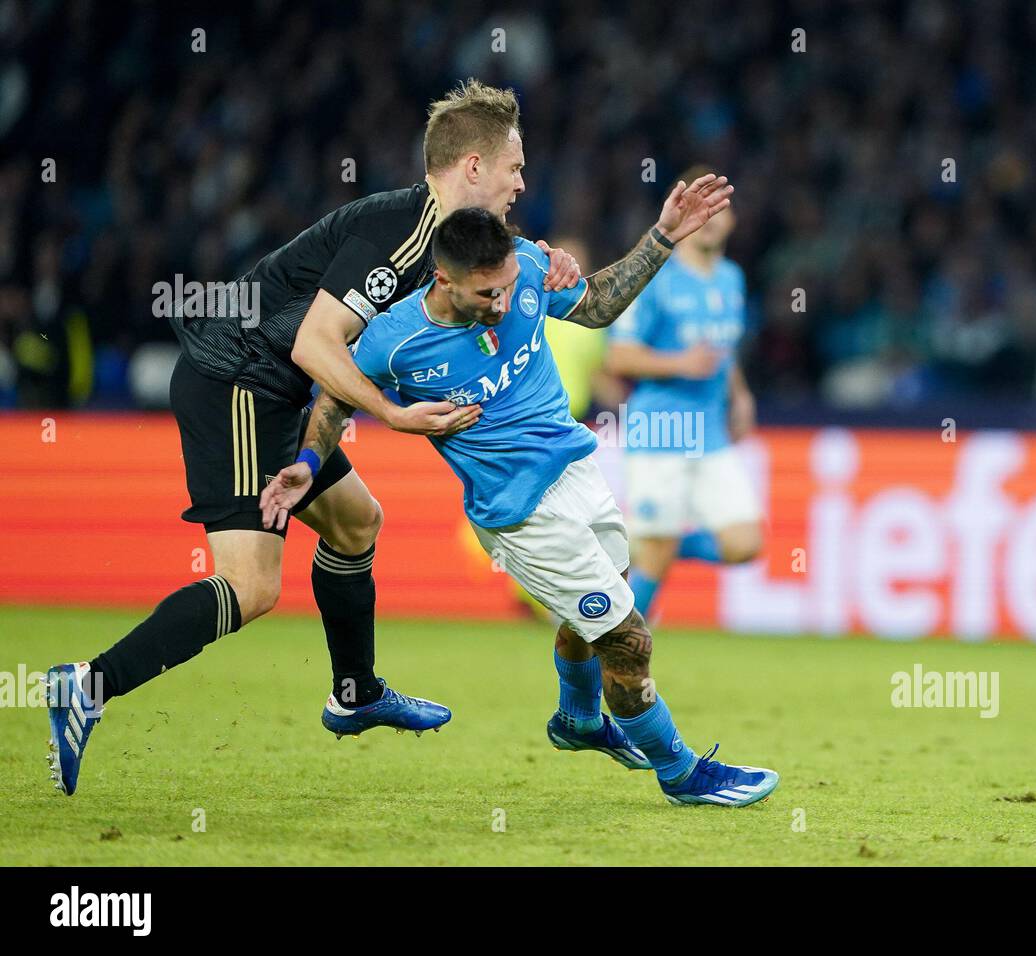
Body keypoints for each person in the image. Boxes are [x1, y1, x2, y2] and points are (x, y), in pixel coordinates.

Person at [44, 80, 583, 796]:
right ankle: (86, 685)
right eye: (514, 166)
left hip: (276, 394)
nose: (522, 182)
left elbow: (502, 272)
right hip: (235, 383)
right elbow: (313, 344)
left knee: (357, 522)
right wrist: (390, 416)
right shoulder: (401, 232)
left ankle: (355, 693)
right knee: (251, 585)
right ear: (474, 166)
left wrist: (553, 264)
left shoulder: (449, 242)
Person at [262, 189, 780, 807]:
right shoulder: (393, 341)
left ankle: (579, 720)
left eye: (507, 286)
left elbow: (597, 306)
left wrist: (662, 236)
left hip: (578, 471)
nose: (502, 302)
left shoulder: (530, 268)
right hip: (520, 514)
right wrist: (310, 462)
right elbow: (334, 396)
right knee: (628, 638)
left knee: (593, 611)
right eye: (486, 294)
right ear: (443, 279)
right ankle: (681, 772)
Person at [605, 165, 762, 619]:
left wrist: (741, 394)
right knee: (654, 553)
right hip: (662, 430)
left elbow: (722, 350)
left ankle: (649, 539)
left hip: (710, 433)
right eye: (701, 204)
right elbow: (618, 358)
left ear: (732, 219)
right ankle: (621, 649)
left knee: (744, 544)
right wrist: (679, 363)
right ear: (686, 212)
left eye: (721, 206)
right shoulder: (658, 277)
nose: (711, 215)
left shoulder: (731, 278)